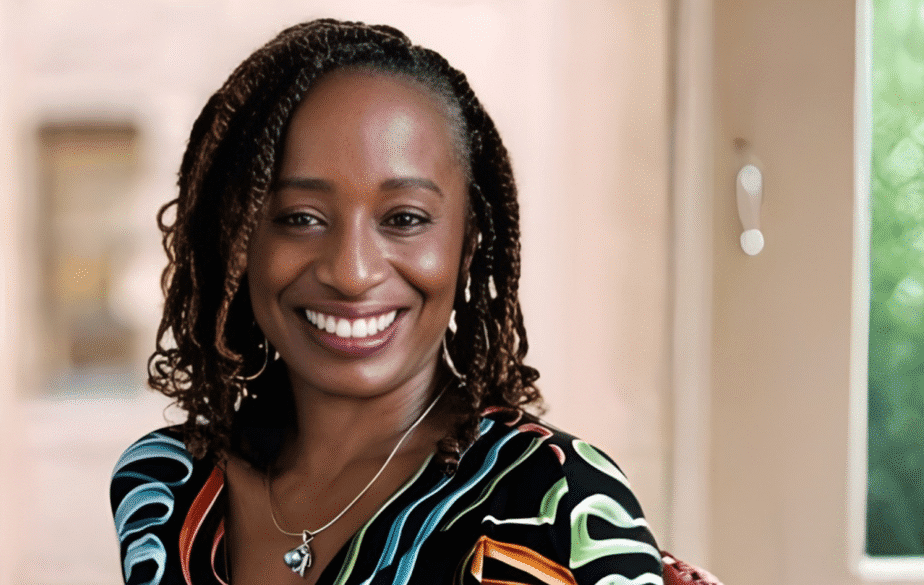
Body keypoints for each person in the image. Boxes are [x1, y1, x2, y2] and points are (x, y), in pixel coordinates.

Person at [111, 19, 667, 585]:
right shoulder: (166, 483)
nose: (351, 273)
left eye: (404, 219)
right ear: (237, 239)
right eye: (300, 218)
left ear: (468, 240)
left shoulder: (553, 503)